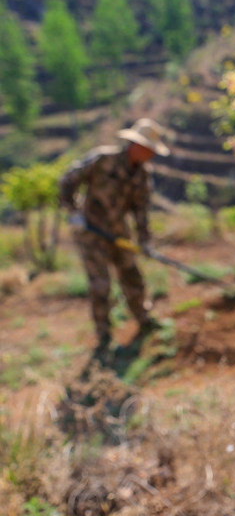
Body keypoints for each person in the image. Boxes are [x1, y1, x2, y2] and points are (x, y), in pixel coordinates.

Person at [59, 118, 170, 356]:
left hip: (119, 233)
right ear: (136, 145)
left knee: (132, 276)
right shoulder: (102, 159)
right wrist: (73, 212)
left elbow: (141, 211)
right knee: (101, 285)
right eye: (149, 149)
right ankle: (104, 335)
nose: (151, 154)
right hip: (91, 232)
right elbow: (68, 180)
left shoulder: (142, 175)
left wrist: (145, 241)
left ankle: (143, 319)